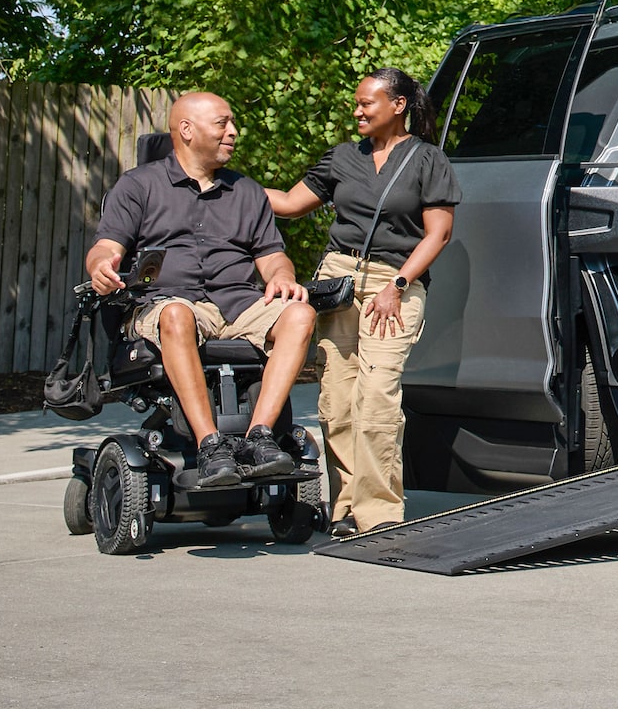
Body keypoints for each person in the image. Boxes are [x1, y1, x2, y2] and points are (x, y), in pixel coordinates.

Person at [85, 92, 318, 486]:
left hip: (237, 303)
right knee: (177, 313)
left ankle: (259, 437)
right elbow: (107, 247)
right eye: (222, 124)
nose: (233, 132)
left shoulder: (247, 192)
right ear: (187, 130)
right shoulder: (138, 185)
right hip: (166, 304)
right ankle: (210, 443)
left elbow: (271, 255)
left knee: (301, 314)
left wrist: (282, 275)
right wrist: (100, 267)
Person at [265, 69, 460, 537]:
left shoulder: (427, 159)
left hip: (394, 283)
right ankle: (344, 509)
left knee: (376, 399)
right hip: (339, 281)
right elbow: (290, 203)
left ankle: (379, 514)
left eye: (366, 104)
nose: (356, 111)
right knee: (337, 400)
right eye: (355, 103)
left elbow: (440, 233)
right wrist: (228, 188)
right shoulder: (341, 159)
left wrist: (398, 283)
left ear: (397, 106)